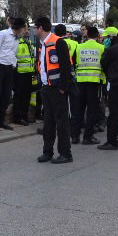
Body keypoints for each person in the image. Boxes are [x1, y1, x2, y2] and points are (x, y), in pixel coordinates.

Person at [34, 16, 74, 164]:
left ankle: (65, 154)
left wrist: (63, 88)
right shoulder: (42, 44)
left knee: (61, 122)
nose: (33, 30)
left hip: (57, 89)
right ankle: (47, 152)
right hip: (46, 88)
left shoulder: (58, 42)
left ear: (40, 28)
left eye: (35, 27)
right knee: (48, 122)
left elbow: (66, 67)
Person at [71, 26, 104, 145]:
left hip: (80, 82)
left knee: (78, 109)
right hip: (94, 83)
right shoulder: (101, 48)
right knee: (91, 111)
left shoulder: (79, 47)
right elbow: (104, 64)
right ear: (98, 36)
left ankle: (74, 136)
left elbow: (73, 62)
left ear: (87, 35)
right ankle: (87, 137)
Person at [12, 19, 34, 125]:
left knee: (26, 97)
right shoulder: (17, 42)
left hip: (29, 73)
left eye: (28, 29)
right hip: (19, 73)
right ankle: (17, 118)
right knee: (19, 97)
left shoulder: (29, 42)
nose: (27, 30)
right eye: (25, 28)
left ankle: (24, 117)